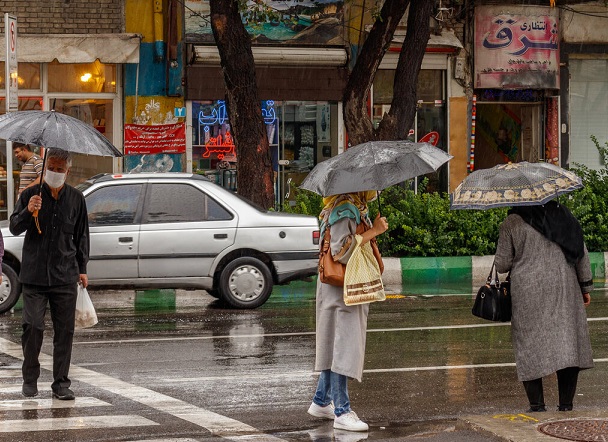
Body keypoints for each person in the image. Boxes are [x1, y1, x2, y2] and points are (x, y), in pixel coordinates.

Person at [494, 200, 593, 412]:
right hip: (564, 288)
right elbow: (580, 252)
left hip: (527, 293)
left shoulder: (511, 222)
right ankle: (566, 405)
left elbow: (502, 264)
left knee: (529, 345)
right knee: (566, 344)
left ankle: (536, 405)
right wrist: (585, 286)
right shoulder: (564, 217)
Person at [9, 148, 90, 401]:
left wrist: (83, 268)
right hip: (34, 276)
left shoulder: (76, 199)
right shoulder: (31, 195)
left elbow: (82, 236)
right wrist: (27, 211)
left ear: (67, 171)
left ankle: (61, 384)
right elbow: (14, 228)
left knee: (64, 332)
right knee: (32, 326)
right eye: (50, 168)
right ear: (44, 169)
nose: (54, 173)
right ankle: (30, 379)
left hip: (65, 275)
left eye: (59, 169)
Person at [307, 191, 388, 432]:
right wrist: (373, 231)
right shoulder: (345, 210)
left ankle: (322, 401)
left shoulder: (351, 206)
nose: (375, 190)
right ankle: (341, 410)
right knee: (343, 345)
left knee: (336, 343)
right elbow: (339, 251)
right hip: (342, 289)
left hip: (342, 288)